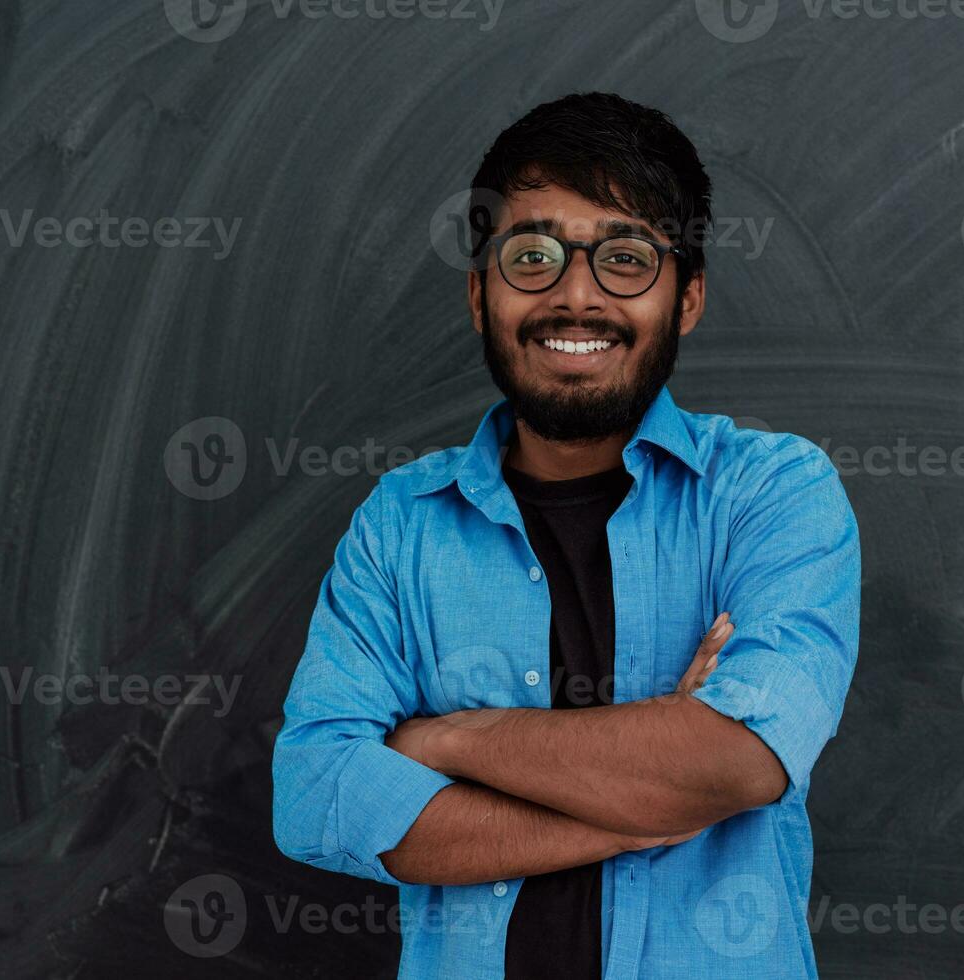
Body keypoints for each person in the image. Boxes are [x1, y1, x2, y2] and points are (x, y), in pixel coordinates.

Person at [273, 90, 860, 979]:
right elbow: (317, 796)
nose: (576, 296)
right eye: (533, 255)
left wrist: (444, 741)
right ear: (480, 295)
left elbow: (743, 759)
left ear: (687, 297)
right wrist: (653, 802)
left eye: (625, 257)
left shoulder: (773, 493)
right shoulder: (400, 526)